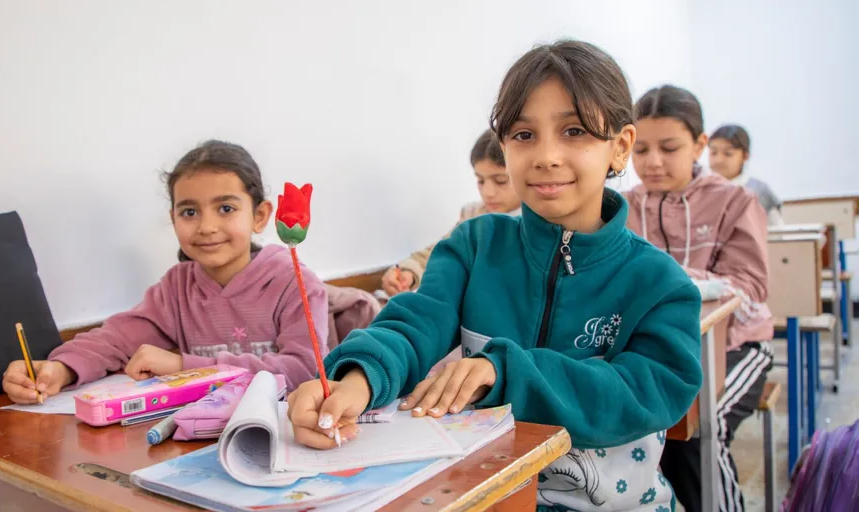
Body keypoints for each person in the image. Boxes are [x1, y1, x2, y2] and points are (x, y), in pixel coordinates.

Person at [288, 40, 703, 511]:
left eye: (574, 131)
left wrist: (504, 371)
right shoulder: (473, 246)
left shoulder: (660, 284)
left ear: (620, 148)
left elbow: (647, 390)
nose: (546, 155)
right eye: (523, 135)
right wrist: (358, 379)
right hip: (487, 498)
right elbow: (414, 324)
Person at [2, 140, 328, 402]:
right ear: (173, 219)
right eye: (189, 212)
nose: (207, 226)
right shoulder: (177, 288)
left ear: (260, 216)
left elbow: (304, 370)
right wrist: (61, 368)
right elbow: (115, 339)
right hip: (203, 431)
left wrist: (186, 367)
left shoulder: (294, 284)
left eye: (226, 208)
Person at [625, 85, 774, 512]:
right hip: (658, 351)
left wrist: (666, 280)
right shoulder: (621, 207)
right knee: (640, 431)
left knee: (701, 429)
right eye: (641, 150)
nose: (653, 162)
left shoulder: (734, 201)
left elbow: (749, 285)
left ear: (699, 145)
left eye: (669, 148)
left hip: (733, 347)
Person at [381, 130, 521, 296]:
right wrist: (408, 272)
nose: (488, 192)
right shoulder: (472, 214)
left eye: (501, 181)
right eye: (480, 181)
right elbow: (442, 253)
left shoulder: (536, 221)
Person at [708, 124, 784, 225]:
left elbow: (777, 231)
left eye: (728, 153)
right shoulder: (702, 190)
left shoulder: (760, 191)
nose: (719, 160)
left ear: (745, 156)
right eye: (713, 153)